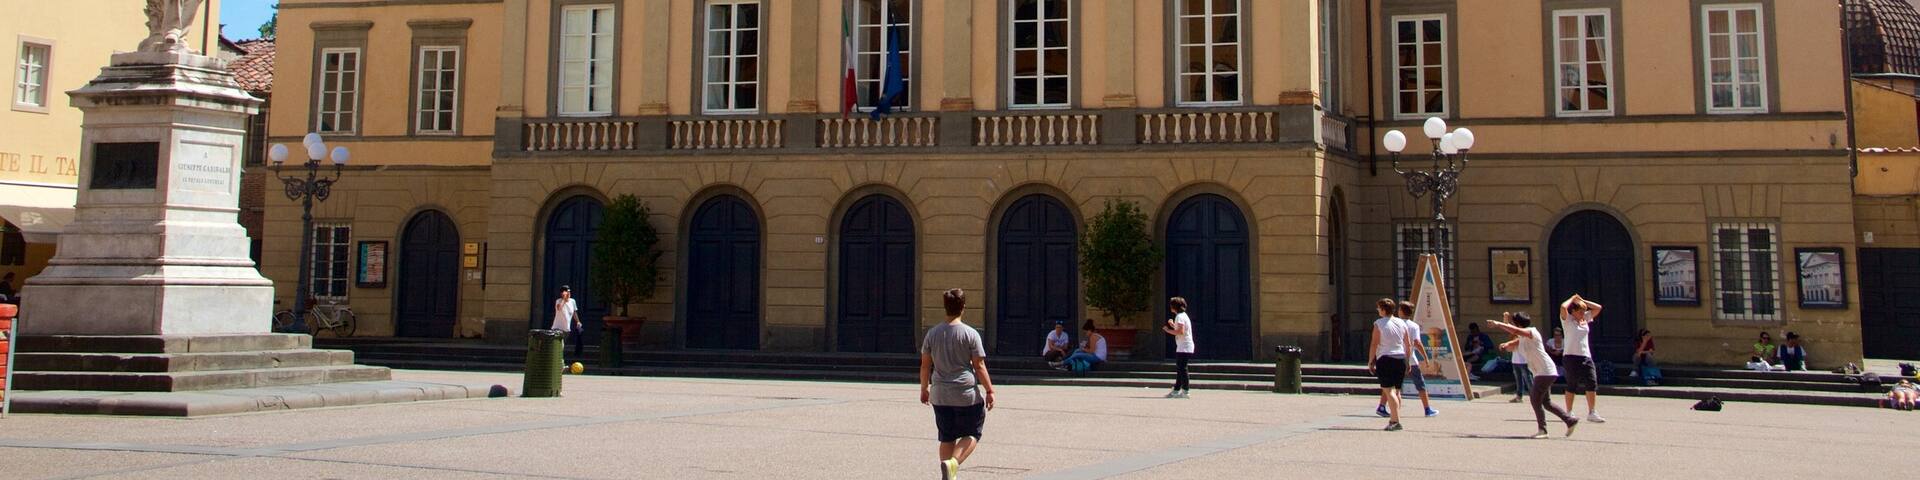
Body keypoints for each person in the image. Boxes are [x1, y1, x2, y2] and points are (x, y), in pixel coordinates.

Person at [920, 288, 995, 480]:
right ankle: (953, 463)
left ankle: (948, 474)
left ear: (945, 307)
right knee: (973, 432)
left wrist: (924, 389)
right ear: (963, 307)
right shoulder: (970, 334)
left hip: (940, 393)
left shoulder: (932, 334)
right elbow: (979, 366)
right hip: (965, 393)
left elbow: (925, 366)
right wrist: (989, 390)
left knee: (947, 435)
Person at [1487, 312, 1580, 439]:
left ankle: (1543, 430)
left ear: (1518, 324)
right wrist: (1507, 344)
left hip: (1545, 371)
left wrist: (1498, 324)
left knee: (1535, 399)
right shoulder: (1522, 338)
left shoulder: (1532, 332)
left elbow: (1516, 331)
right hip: (1542, 372)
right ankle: (1569, 420)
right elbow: (1515, 340)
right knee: (1546, 402)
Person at [1368, 298, 1420, 431]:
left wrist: (1371, 360)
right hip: (1400, 358)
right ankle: (1395, 417)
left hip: (1386, 358)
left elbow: (1374, 343)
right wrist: (1408, 361)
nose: (1378, 310)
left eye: (1379, 308)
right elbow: (1408, 344)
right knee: (1397, 391)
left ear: (1383, 310)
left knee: (1389, 390)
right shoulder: (1401, 323)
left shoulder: (1379, 323)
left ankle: (1395, 420)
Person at [1379, 301, 1437, 418]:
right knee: (1420, 384)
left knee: (1389, 385)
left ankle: (1382, 406)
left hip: (1395, 357)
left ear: (1400, 311)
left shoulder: (1394, 323)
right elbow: (1417, 342)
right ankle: (1427, 408)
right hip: (1410, 359)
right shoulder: (1413, 326)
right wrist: (1425, 357)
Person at [1560, 294, 1606, 423]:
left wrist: (1582, 301)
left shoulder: (1585, 318)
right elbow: (1563, 307)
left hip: (1586, 356)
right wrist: (1572, 299)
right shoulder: (1567, 320)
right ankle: (1569, 411)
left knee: (1592, 382)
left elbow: (1598, 307)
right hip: (1570, 356)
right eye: (1580, 311)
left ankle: (1592, 412)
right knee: (1572, 384)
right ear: (1573, 311)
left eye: (1583, 311)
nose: (1582, 314)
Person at [1163, 297, 1196, 399]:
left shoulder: (1180, 316)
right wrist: (1173, 325)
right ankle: (1176, 390)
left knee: (1182, 369)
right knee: (1180, 369)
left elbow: (1180, 332)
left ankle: (1185, 390)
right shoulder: (1182, 316)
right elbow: (1182, 330)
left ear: (1174, 306)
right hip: (1184, 346)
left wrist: (1167, 330)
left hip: (1184, 346)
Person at [1502, 312, 1534, 404]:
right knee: (1518, 380)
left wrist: (1508, 344)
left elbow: (1518, 341)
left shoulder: (1524, 332)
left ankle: (1534, 396)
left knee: (1528, 379)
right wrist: (1505, 317)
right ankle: (1519, 396)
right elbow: (1507, 326)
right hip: (1515, 360)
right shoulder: (1516, 331)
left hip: (1524, 360)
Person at [550, 285, 582, 362]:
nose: (569, 294)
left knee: (561, 346)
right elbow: (559, 308)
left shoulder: (572, 301)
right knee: (560, 346)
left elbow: (574, 312)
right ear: (562, 293)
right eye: (567, 292)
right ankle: (559, 362)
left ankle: (558, 361)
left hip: (566, 329)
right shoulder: (558, 301)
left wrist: (578, 321)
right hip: (557, 328)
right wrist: (564, 299)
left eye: (569, 292)